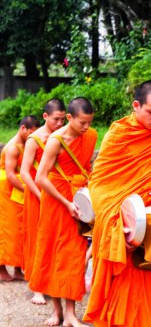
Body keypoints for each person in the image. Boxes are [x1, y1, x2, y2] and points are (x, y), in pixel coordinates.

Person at [83, 80, 151, 327]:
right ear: (136, 106)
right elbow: (100, 185)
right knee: (121, 299)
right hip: (124, 230)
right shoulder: (118, 134)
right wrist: (121, 230)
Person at [29, 97, 97, 327]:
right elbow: (40, 178)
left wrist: (86, 195)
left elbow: (87, 168)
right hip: (56, 201)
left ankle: (70, 315)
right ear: (69, 118)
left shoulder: (91, 136)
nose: (86, 128)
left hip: (78, 201)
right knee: (52, 253)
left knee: (74, 257)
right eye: (82, 123)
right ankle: (57, 312)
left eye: (89, 122)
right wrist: (66, 202)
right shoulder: (54, 141)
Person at [20, 98, 66, 305]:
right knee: (37, 238)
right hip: (37, 194)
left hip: (56, 191)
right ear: (45, 117)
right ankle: (37, 287)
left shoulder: (64, 136)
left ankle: (55, 281)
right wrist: (40, 195)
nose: (60, 123)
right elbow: (25, 172)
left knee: (56, 238)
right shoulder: (34, 139)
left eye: (63, 119)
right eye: (56, 119)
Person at [0, 115, 40, 282]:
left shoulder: (26, 144)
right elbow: (10, 175)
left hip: (20, 191)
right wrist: (28, 189)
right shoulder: (12, 147)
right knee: (8, 230)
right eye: (31, 133)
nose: (33, 137)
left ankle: (18, 269)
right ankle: (2, 269)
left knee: (23, 230)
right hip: (7, 190)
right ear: (23, 128)